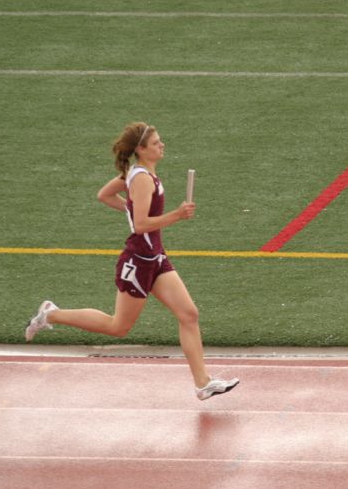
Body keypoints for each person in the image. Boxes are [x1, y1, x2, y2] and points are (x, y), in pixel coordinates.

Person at [24, 122, 239, 401]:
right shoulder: (141, 179)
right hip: (138, 261)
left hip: (156, 258)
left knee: (189, 314)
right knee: (118, 327)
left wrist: (131, 206)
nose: (162, 145)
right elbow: (140, 225)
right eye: (156, 143)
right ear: (141, 149)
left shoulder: (138, 173)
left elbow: (105, 195)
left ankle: (203, 383)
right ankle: (50, 313)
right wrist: (176, 215)